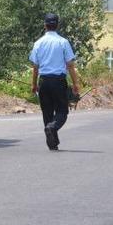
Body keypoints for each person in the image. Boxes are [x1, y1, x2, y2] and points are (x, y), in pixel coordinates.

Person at [29, 13, 80, 151]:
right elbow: (70, 65)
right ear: (57, 25)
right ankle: (52, 128)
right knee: (62, 111)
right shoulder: (63, 42)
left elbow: (35, 67)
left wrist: (34, 84)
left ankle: (53, 143)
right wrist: (76, 84)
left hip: (43, 81)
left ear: (45, 25)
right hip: (58, 81)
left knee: (47, 112)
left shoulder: (38, 43)